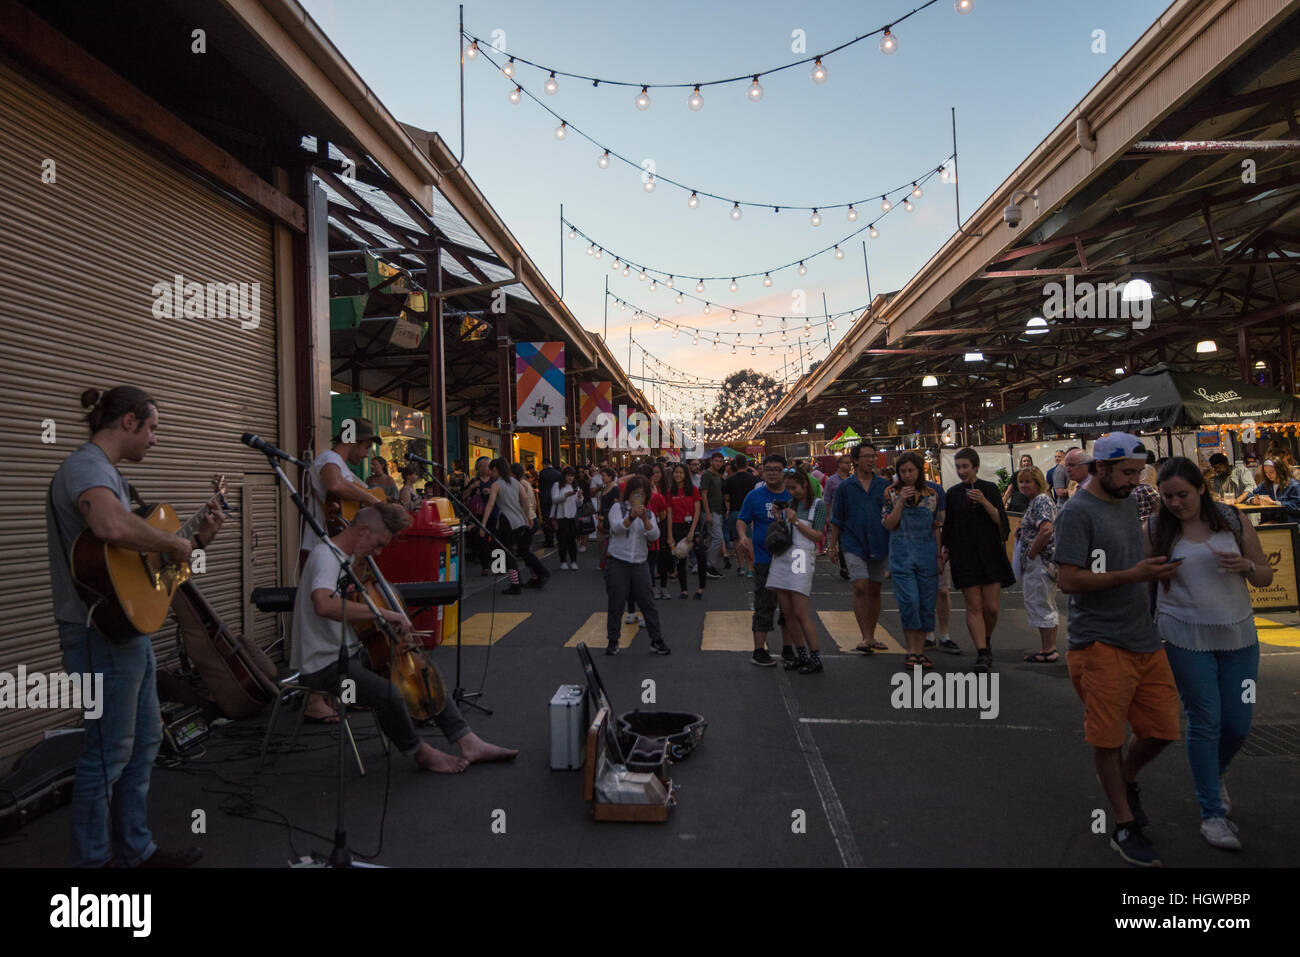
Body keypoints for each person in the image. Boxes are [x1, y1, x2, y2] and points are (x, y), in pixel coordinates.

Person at [47, 386, 225, 868]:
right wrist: (172, 544)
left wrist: (196, 540)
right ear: (127, 422)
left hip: (126, 632)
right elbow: (110, 527)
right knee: (106, 753)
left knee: (144, 740)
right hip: (97, 635)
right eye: (152, 429)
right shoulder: (87, 468)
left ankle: (135, 850)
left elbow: (142, 572)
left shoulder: (114, 479)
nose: (154, 440)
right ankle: (93, 863)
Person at [294, 503, 516, 772]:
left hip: (350, 651)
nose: (378, 552)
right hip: (322, 664)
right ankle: (420, 752)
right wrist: (384, 614)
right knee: (388, 694)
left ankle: (467, 740)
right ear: (363, 530)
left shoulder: (348, 558)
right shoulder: (326, 557)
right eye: (377, 544)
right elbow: (324, 605)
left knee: (422, 670)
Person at [1054, 432, 1182, 867]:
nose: (1135, 481)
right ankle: (1124, 824)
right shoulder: (1076, 514)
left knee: (1163, 730)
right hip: (1098, 642)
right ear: (1101, 467)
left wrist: (1157, 566)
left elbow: (1133, 552)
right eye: (1127, 472)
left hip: (1143, 637)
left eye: (1139, 472)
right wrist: (1131, 576)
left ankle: (1126, 780)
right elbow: (1068, 580)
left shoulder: (1127, 501)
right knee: (1107, 739)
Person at [1149, 457, 1270, 850]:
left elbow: (1266, 575)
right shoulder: (1154, 527)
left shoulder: (1232, 520)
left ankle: (1213, 774)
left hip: (1238, 633)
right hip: (1182, 634)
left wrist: (1247, 564)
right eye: (1167, 496)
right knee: (1205, 719)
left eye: (1182, 494)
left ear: (1201, 488)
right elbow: (1141, 578)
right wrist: (1152, 574)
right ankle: (1211, 814)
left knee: (1237, 724)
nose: (1175, 503)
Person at [941, 448, 1015, 672]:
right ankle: (982, 652)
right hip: (964, 554)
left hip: (990, 553)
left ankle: (987, 638)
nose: (961, 471)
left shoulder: (990, 489)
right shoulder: (952, 494)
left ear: (976, 467)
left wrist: (984, 501)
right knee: (973, 605)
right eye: (958, 467)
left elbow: (1001, 522)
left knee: (991, 608)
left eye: (965, 466)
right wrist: (944, 553)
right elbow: (949, 527)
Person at [881, 451, 943, 670]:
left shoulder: (932, 494)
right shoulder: (890, 493)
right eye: (903, 471)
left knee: (926, 605)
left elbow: (936, 528)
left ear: (919, 472)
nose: (907, 475)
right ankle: (910, 650)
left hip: (926, 555)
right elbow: (888, 524)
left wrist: (938, 556)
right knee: (909, 603)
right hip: (901, 555)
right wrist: (900, 504)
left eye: (911, 471)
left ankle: (921, 651)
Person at [827, 443, 891, 655]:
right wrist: (833, 545)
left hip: (880, 542)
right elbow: (837, 517)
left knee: (874, 589)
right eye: (865, 457)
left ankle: (872, 634)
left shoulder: (883, 485)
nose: (870, 460)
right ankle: (865, 636)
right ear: (855, 460)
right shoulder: (845, 487)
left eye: (873, 456)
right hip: (853, 542)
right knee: (860, 587)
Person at [764, 467, 828, 673]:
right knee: (787, 612)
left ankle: (815, 656)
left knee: (801, 611)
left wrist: (795, 521)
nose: (791, 492)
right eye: (788, 488)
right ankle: (800, 654)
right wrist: (780, 519)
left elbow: (817, 536)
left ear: (805, 485)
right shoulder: (791, 504)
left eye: (794, 488)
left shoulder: (817, 505)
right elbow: (787, 531)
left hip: (801, 557)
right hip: (783, 556)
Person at [736, 454, 794, 667]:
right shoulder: (754, 496)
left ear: (784, 471)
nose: (771, 473)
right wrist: (743, 537)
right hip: (763, 559)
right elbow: (742, 520)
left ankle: (789, 648)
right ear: (762, 471)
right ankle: (759, 650)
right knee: (764, 605)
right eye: (767, 469)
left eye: (776, 469)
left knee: (790, 607)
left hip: (790, 559)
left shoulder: (793, 494)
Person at [302, 418, 385, 561]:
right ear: (353, 441)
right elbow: (335, 485)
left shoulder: (342, 465)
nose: (367, 454)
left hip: (336, 546)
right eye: (366, 446)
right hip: (324, 546)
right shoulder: (329, 458)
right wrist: (374, 501)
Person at [604, 475, 668, 655]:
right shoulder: (618, 508)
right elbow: (616, 528)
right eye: (634, 494)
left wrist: (645, 520)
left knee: (648, 603)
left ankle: (656, 640)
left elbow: (655, 535)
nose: (637, 498)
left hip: (640, 563)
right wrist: (631, 517)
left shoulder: (649, 513)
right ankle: (613, 640)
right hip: (618, 561)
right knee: (616, 603)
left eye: (642, 495)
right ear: (628, 494)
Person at [481, 458, 549, 594]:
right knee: (521, 550)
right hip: (521, 521)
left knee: (508, 553)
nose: (490, 473)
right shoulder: (516, 483)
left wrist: (483, 524)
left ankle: (515, 584)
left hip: (507, 523)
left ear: (496, 469)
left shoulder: (496, 484)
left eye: (491, 470)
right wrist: (528, 518)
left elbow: (491, 504)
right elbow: (524, 500)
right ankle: (536, 575)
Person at [1014, 466, 1059, 663]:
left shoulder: (1041, 500)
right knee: (1045, 603)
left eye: (1028, 481)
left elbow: (1046, 529)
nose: (1024, 485)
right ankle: (1048, 647)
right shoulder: (1038, 501)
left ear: (1038, 483)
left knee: (1041, 604)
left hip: (1040, 562)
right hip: (1040, 562)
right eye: (1021, 482)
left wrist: (1032, 552)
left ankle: (1048, 649)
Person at [667, 463, 707, 599]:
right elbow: (670, 514)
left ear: (686, 475)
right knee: (681, 558)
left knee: (701, 556)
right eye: (676, 472)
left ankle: (701, 588)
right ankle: (684, 590)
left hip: (692, 526)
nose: (678, 475)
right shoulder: (670, 492)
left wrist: (692, 531)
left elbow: (697, 511)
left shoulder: (693, 490)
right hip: (677, 527)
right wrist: (670, 535)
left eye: (681, 473)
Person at [725, 454, 760, 579]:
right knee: (750, 540)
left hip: (735, 512)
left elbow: (727, 499)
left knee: (737, 540)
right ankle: (750, 568)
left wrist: (728, 510)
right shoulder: (754, 479)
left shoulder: (729, 480)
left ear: (735, 465)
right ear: (746, 465)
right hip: (750, 513)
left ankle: (741, 567)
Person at [823, 454, 852, 576]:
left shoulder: (853, 479)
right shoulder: (831, 481)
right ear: (839, 464)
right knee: (842, 542)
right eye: (846, 462)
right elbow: (827, 500)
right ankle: (845, 567)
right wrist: (827, 516)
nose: (849, 465)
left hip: (853, 516)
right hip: (838, 516)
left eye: (850, 463)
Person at [648, 465, 674, 599]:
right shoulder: (644, 490)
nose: (656, 475)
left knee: (664, 557)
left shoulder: (665, 490)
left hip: (662, 526)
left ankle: (663, 586)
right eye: (653, 473)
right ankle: (652, 586)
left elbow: (668, 512)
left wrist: (670, 534)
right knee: (651, 559)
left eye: (658, 473)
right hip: (649, 526)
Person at [700, 451, 727, 579]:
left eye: (720, 461)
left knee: (713, 539)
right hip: (711, 512)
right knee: (718, 538)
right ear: (711, 461)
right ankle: (709, 565)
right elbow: (703, 495)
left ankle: (708, 565)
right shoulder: (707, 475)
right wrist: (708, 513)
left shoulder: (717, 475)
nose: (718, 463)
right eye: (716, 461)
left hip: (718, 511)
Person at [551, 466, 582, 569]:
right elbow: (554, 499)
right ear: (564, 475)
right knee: (562, 541)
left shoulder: (576, 487)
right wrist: (566, 495)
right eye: (568, 475)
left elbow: (579, 504)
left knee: (572, 541)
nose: (570, 478)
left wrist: (579, 497)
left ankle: (574, 561)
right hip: (561, 516)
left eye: (572, 476)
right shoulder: (557, 485)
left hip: (572, 517)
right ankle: (563, 561)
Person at [511, 461, 540, 570]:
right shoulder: (526, 483)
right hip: (531, 518)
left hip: (528, 519)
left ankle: (540, 572)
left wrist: (526, 519)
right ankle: (536, 574)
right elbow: (533, 503)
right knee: (523, 550)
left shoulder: (521, 484)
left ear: (513, 474)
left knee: (523, 550)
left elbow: (524, 503)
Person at [537, 458, 561, 548]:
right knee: (557, 519)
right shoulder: (558, 473)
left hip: (546, 500)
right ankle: (559, 539)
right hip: (556, 499)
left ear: (544, 464)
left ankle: (549, 541)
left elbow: (540, 487)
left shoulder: (543, 473)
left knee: (547, 520)